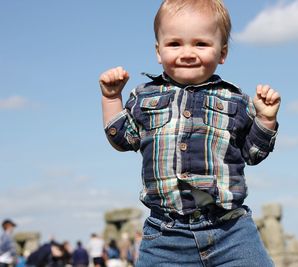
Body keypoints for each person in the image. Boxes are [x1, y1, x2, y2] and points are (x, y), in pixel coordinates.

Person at [99, 0, 280, 266]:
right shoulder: (143, 96)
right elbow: (122, 139)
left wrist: (265, 118)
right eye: (175, 44)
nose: (187, 53)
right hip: (165, 236)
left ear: (222, 53)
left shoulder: (236, 100)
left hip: (231, 231)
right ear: (158, 51)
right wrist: (112, 97)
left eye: (201, 44)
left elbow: (253, 153)